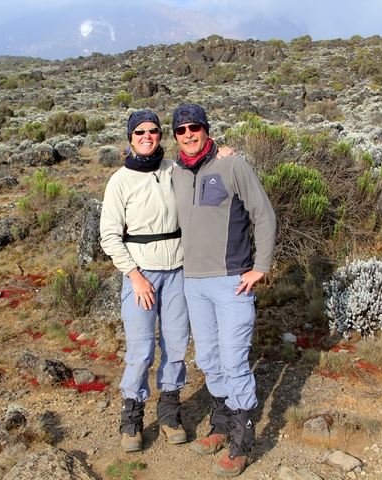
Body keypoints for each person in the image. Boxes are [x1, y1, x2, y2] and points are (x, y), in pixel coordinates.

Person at [170, 104, 276, 477]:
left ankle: (242, 442)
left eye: (194, 127)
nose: (188, 134)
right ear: (175, 136)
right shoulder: (176, 172)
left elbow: (262, 214)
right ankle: (221, 423)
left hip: (232, 280)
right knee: (209, 360)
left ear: (206, 129)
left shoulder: (232, 165)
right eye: (181, 129)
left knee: (233, 361)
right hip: (193, 281)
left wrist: (260, 267)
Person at [99, 110, 189, 452]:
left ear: (160, 135)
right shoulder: (119, 180)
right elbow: (109, 235)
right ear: (130, 138)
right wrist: (134, 276)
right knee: (140, 349)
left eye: (153, 131)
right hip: (141, 273)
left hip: (178, 270)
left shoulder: (174, 171)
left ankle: (169, 411)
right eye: (140, 132)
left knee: (177, 344)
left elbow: (203, 166)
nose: (147, 136)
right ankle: (132, 418)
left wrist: (222, 153)